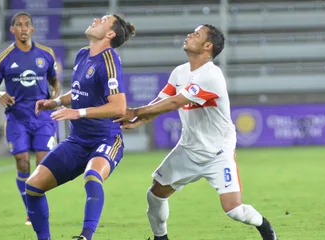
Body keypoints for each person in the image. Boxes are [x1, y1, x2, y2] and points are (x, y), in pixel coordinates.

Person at [116, 24, 278, 240]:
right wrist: (140, 119)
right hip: (188, 150)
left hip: (217, 153)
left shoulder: (211, 75)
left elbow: (175, 103)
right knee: (155, 195)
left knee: (234, 210)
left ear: (207, 46)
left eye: (197, 34)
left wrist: (134, 111)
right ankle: (160, 238)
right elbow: (162, 101)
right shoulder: (180, 72)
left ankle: (267, 230)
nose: (190, 35)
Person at [30, 13, 136, 240]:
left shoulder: (110, 60)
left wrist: (77, 113)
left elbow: (119, 107)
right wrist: (55, 102)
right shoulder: (83, 54)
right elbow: (79, 92)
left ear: (110, 34)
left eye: (103, 20)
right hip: (77, 141)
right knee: (32, 187)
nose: (96, 19)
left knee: (92, 176)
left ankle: (86, 236)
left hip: (106, 139)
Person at [0, 12, 60, 226]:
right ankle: (31, 209)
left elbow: (55, 83)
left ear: (33, 29)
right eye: (19, 25)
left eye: (27, 24)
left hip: (42, 116)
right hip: (17, 117)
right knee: (22, 161)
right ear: (13, 30)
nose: (24, 28)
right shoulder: (4, 57)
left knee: (43, 165)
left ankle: (37, 206)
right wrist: (0, 94)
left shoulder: (46, 54)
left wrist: (54, 99)